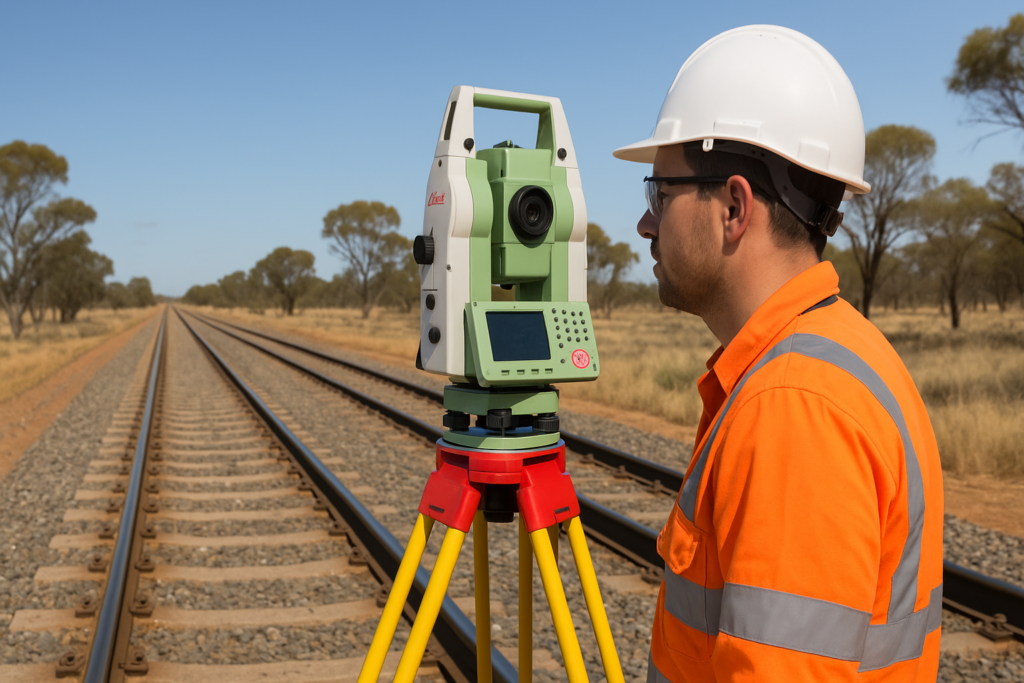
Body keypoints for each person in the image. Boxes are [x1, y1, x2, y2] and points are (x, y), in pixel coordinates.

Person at [613, 25, 943, 682]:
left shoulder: (795, 408)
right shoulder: (843, 350)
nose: (646, 223)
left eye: (660, 194)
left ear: (734, 207)